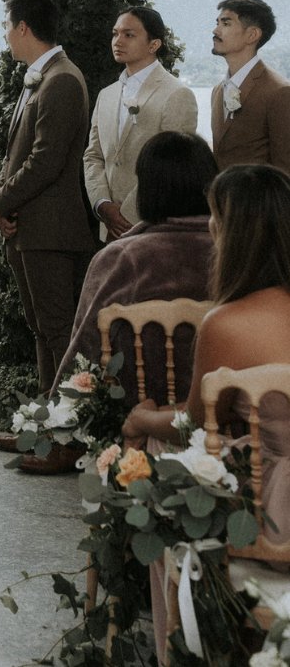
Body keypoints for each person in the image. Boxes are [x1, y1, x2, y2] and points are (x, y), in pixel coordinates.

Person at [123, 164, 290, 662]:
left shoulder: (227, 323)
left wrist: (139, 419)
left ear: (235, 233)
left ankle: (179, 644)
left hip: (277, 512)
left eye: (216, 217)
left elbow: (190, 423)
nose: (211, 228)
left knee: (160, 466)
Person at [56, 131, 217, 406]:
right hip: (227, 419)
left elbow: (85, 350)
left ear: (147, 189)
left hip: (135, 417)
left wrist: (53, 418)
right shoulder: (240, 252)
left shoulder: (123, 258)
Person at [0, 0, 93, 395]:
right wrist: (1, 191)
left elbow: (46, 160)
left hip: (51, 231)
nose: (6, 36)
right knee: (42, 330)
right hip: (30, 229)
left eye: (7, 27)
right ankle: (45, 424)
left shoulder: (62, 79)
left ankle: (64, 428)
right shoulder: (42, 77)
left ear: (23, 28)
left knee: (57, 332)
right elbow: (16, 154)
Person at [84, 6, 198, 240]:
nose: (118, 41)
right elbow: (93, 155)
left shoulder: (177, 94)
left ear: (154, 44)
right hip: (108, 228)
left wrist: (126, 215)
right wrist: (102, 204)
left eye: (129, 35)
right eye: (115, 33)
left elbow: (172, 168)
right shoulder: (106, 95)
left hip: (151, 226)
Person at [210, 0, 290, 173]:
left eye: (226, 23)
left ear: (252, 35)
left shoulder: (279, 92)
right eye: (217, 23)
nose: (215, 30)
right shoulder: (217, 91)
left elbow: (285, 171)